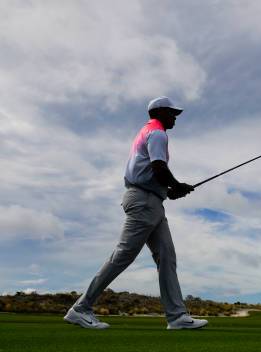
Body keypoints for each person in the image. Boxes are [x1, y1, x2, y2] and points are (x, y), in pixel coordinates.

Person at [64, 96, 207, 330]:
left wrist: (169, 190)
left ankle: (177, 316)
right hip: (143, 201)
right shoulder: (158, 133)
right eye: (172, 113)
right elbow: (158, 167)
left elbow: (153, 173)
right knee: (123, 255)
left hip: (151, 200)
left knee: (167, 256)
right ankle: (80, 308)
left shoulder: (147, 131)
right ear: (160, 112)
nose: (175, 118)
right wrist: (176, 185)